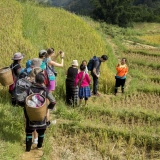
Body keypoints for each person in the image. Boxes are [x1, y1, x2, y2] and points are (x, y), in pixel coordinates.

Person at [24, 72, 56, 152]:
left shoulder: (29, 89)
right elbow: (53, 101)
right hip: (41, 115)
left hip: (30, 115)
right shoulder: (45, 91)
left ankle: (28, 149)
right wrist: (47, 108)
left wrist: (25, 108)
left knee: (29, 131)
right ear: (43, 81)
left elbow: (21, 99)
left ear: (35, 80)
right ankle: (39, 146)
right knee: (41, 130)